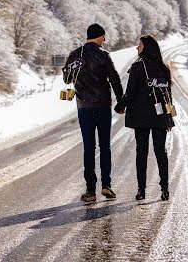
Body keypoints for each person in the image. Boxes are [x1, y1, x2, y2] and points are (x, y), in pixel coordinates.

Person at [64, 23, 124, 203]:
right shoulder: (103, 55)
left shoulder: (75, 55)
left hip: (83, 107)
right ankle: (106, 186)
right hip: (103, 106)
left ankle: (90, 191)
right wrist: (121, 102)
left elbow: (66, 78)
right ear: (98, 36)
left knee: (89, 148)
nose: (105, 40)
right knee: (105, 146)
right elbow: (114, 78)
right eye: (103, 36)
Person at [115, 34, 174, 201]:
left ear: (146, 47)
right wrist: (169, 118)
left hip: (141, 117)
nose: (137, 48)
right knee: (160, 152)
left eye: (139, 45)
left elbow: (130, 93)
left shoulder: (137, 67)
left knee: (141, 153)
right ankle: (165, 189)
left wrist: (119, 106)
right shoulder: (164, 68)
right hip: (160, 116)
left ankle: (141, 190)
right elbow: (167, 96)